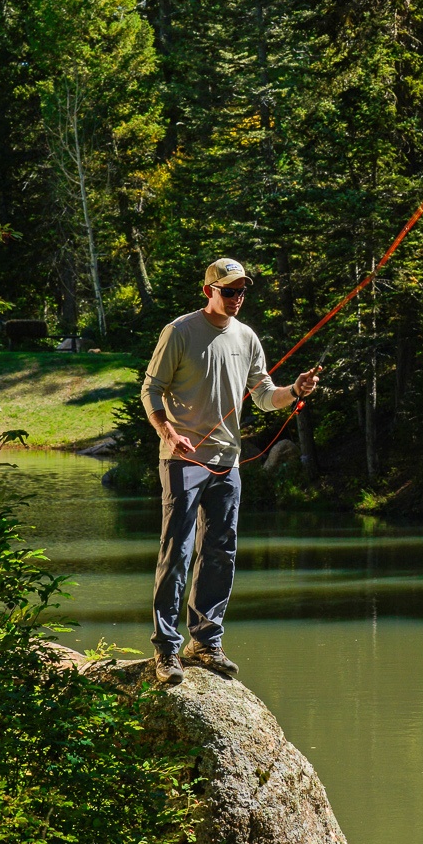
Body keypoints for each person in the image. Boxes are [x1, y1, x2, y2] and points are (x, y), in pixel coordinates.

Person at [141, 256, 321, 685]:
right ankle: (166, 650)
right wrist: (168, 433)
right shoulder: (180, 331)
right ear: (209, 292)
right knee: (177, 552)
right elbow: (151, 389)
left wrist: (294, 390)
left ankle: (205, 642)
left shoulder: (248, 337)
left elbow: (263, 395)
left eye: (242, 291)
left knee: (221, 553)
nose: (237, 298)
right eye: (229, 290)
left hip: (228, 461)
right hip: (183, 458)